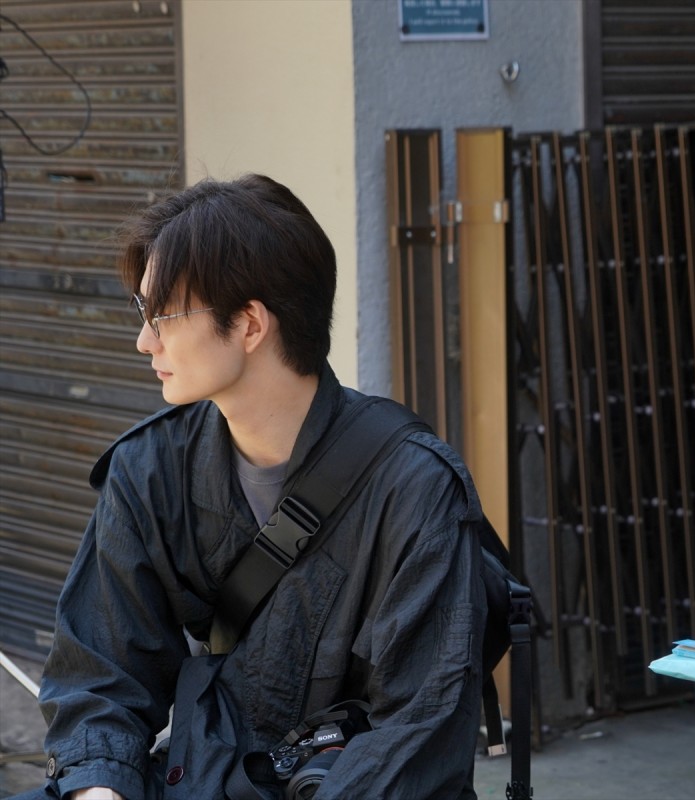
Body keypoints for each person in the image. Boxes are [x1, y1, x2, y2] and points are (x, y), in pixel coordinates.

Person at [19, 174, 487, 800]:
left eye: (162, 314)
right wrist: (100, 790)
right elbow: (100, 674)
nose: (143, 340)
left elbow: (418, 731)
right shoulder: (150, 469)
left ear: (248, 324)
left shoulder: (415, 488)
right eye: (142, 311)